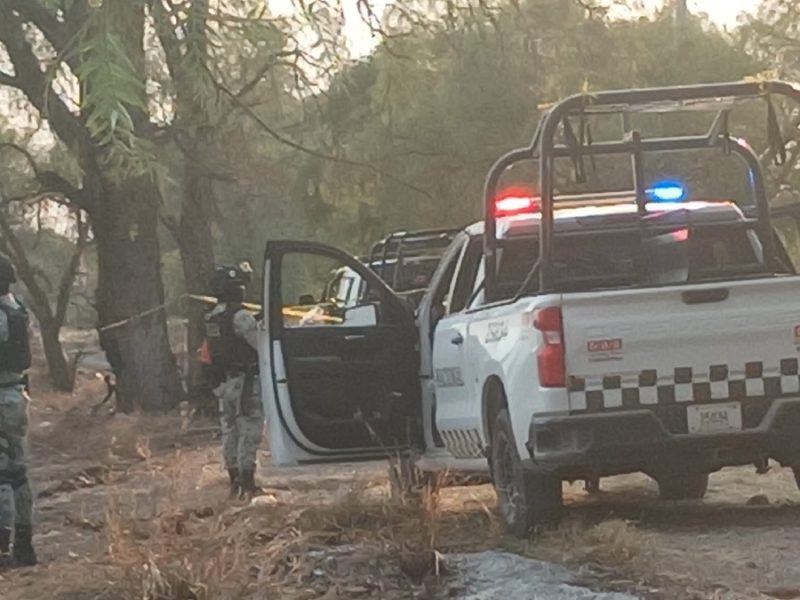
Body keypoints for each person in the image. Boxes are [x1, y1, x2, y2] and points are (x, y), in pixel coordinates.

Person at [203, 262, 264, 499]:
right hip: (245, 383)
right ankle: (247, 482)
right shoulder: (241, 317)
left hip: (224, 383)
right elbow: (260, 343)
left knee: (230, 431)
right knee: (249, 429)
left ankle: (234, 480)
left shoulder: (212, 316)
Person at [0, 255, 36, 567]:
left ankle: (3, 548)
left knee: (1, 477)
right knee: (20, 473)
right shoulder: (19, 310)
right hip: (16, 394)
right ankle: (25, 544)